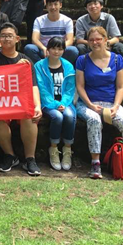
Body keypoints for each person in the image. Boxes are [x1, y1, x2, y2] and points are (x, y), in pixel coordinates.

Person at [75, 27, 123, 180]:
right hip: (88, 103)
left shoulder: (117, 59)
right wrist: (90, 105)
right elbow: (80, 86)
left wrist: (116, 106)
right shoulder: (82, 60)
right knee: (94, 120)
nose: (95, 42)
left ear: (106, 40)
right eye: (91, 40)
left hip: (111, 103)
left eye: (98, 39)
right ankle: (95, 162)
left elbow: (120, 87)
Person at [0, 23, 43, 176]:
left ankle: (30, 159)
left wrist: (38, 106)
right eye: (3, 36)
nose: (6, 39)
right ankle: (10, 155)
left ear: (17, 39)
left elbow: (33, 86)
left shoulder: (26, 60)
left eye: (10, 36)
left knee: (30, 115)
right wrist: (14, 69)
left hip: (20, 101)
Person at [34, 37, 76, 171]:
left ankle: (67, 149)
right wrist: (55, 104)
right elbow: (41, 89)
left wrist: (63, 103)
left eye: (60, 49)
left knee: (69, 116)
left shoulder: (68, 66)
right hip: (47, 103)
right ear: (48, 49)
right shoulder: (39, 66)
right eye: (53, 48)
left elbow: (70, 89)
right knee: (57, 117)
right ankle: (53, 148)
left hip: (65, 102)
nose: (56, 52)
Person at [24, 0, 79, 65]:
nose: (53, 7)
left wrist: (58, 49)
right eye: (50, 4)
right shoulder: (39, 20)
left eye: (55, 4)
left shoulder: (67, 20)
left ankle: (61, 66)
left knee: (73, 50)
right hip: (44, 50)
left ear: (60, 5)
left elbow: (70, 40)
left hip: (60, 50)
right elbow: (34, 39)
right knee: (29, 48)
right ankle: (42, 67)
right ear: (46, 6)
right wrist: (44, 48)